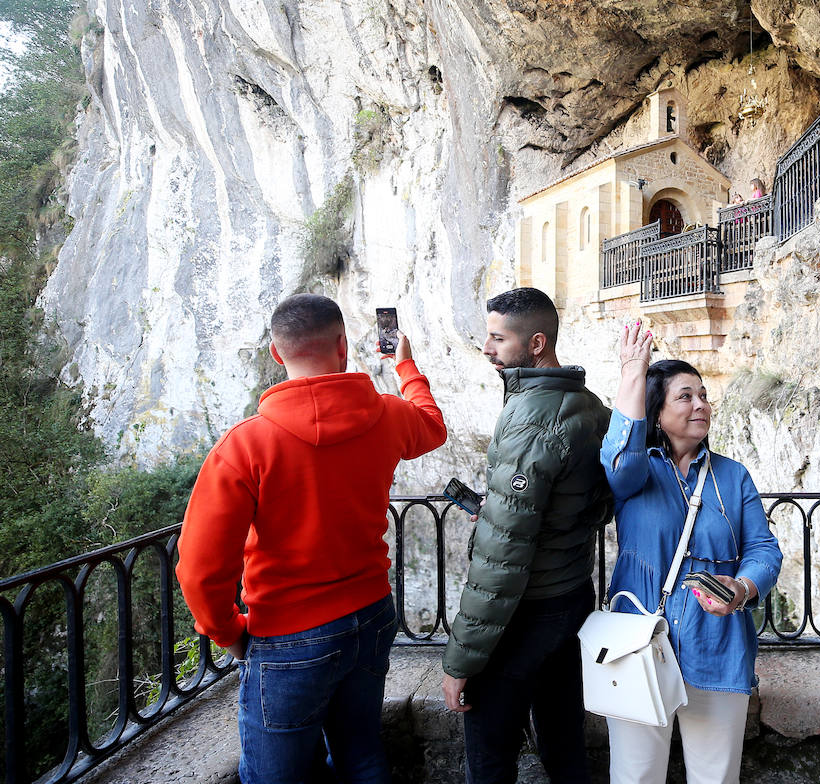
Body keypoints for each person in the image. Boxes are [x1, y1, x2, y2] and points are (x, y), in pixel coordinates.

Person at [177, 293, 448, 784]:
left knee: (276, 775)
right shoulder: (387, 415)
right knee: (361, 752)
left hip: (287, 633)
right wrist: (405, 366)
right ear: (343, 346)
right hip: (370, 615)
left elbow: (200, 567)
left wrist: (227, 632)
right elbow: (432, 425)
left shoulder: (245, 445)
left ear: (278, 354)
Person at [441, 287, 611, 784]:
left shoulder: (527, 418)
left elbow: (499, 562)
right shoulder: (589, 405)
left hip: (526, 613)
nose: (488, 349)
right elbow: (598, 502)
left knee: (490, 755)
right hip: (572, 597)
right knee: (563, 741)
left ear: (536, 343)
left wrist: (459, 661)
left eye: (498, 338)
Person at [602, 321, 782, 784]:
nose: (700, 404)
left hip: (716, 644)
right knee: (635, 775)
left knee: (715, 776)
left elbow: (763, 547)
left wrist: (741, 587)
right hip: (638, 644)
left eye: (703, 394)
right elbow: (618, 458)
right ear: (656, 411)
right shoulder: (637, 473)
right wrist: (632, 373)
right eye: (685, 396)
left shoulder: (733, 476)